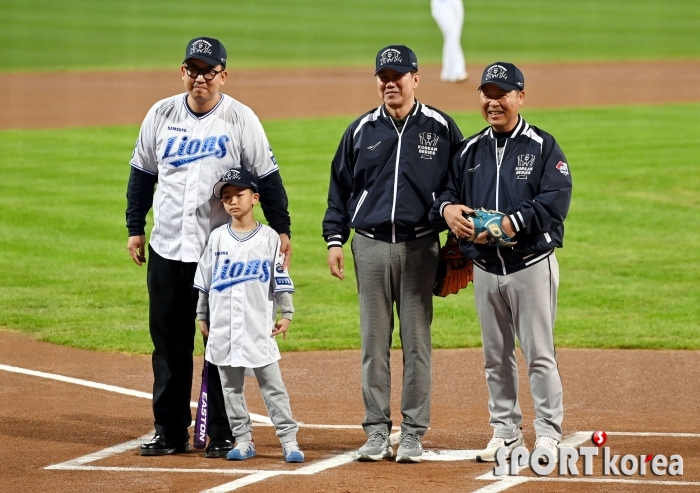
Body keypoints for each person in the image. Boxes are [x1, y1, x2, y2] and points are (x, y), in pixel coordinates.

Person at [126, 36, 292, 458]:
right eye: (193, 70)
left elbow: (267, 177)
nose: (201, 78)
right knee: (168, 344)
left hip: (218, 256)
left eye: (209, 71)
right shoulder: (160, 114)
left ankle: (222, 432)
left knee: (223, 346)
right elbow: (142, 174)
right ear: (183, 72)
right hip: (166, 248)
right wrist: (135, 226)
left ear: (223, 75)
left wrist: (282, 229)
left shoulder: (240, 119)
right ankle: (170, 430)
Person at [323, 45, 464, 463]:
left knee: (417, 343)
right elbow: (340, 191)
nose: (390, 82)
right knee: (373, 343)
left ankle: (414, 433)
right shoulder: (361, 130)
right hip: (368, 245)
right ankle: (376, 432)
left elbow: (458, 188)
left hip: (421, 247)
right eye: (383, 75)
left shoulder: (440, 128)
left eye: (398, 75)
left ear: (415, 79)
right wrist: (335, 239)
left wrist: (456, 241)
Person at [430, 62, 572, 463]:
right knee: (495, 357)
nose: (494, 102)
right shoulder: (470, 150)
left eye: (502, 94)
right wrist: (447, 210)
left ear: (520, 97)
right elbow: (445, 193)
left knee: (539, 353)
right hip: (486, 271)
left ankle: (547, 433)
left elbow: (555, 200)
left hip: (530, 265)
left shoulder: (543, 147)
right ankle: (505, 432)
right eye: (487, 95)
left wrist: (512, 222)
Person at [193, 168, 303, 463]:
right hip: (224, 329)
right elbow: (205, 280)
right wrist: (201, 313)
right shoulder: (217, 239)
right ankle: (242, 439)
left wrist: (287, 312)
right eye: (226, 197)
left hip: (258, 328)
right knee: (231, 389)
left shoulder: (269, 238)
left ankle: (289, 441)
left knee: (273, 387)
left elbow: (280, 279)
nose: (232, 201)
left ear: (254, 198)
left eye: (238, 195)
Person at [430, 0, 468, 82]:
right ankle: (458, 71)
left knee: (453, 37)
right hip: (442, 4)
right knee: (453, 34)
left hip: (456, 2)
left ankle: (447, 71)